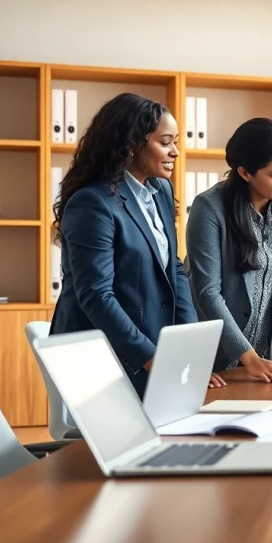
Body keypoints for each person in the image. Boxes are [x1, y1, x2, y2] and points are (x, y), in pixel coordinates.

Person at [50, 92, 203, 396]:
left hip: (147, 345)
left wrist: (189, 344)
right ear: (131, 146)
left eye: (176, 142)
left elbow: (173, 266)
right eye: (165, 142)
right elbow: (96, 295)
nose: (175, 152)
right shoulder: (92, 203)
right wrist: (151, 357)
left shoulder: (159, 190)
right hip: (101, 355)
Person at [186, 118, 272, 383]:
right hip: (214, 361)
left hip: (266, 361)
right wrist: (249, 357)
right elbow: (208, 292)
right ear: (245, 173)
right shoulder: (209, 208)